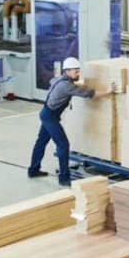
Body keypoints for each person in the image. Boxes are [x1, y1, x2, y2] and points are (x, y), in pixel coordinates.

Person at [28, 57, 114, 187]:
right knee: (63, 145)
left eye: (78, 71)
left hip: (47, 113)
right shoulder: (66, 85)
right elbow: (87, 93)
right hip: (50, 116)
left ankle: (33, 170)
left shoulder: (59, 80)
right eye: (75, 72)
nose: (78, 74)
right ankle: (64, 178)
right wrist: (108, 91)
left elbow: (58, 83)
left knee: (41, 142)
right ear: (67, 71)